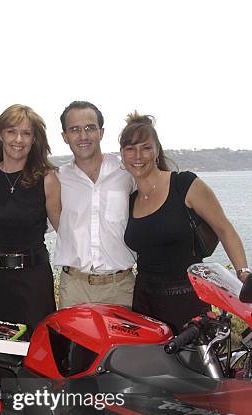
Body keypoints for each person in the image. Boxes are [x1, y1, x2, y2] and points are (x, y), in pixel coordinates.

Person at [120, 112, 250, 333]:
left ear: (156, 151)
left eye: (146, 148)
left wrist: (244, 274)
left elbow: (224, 228)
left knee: (193, 367)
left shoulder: (184, 185)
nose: (138, 156)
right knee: (151, 367)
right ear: (122, 155)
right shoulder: (131, 200)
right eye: (130, 149)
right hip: (144, 303)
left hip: (187, 300)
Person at [0, 104, 61, 331]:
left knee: (35, 353)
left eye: (26, 133)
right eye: (12, 131)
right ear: (1, 134)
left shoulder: (47, 179)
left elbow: (63, 229)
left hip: (33, 281)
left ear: (34, 140)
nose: (18, 139)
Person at [54, 101, 136, 309]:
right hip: (74, 289)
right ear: (64, 136)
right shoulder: (57, 179)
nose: (83, 136)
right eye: (75, 130)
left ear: (101, 132)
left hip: (121, 289)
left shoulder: (126, 172)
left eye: (90, 128)